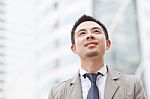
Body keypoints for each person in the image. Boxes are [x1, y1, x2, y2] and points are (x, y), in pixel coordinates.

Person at [48, 14, 147, 99]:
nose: (89, 35)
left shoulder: (132, 85)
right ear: (74, 49)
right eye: (82, 33)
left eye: (96, 31)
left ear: (107, 44)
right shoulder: (57, 93)